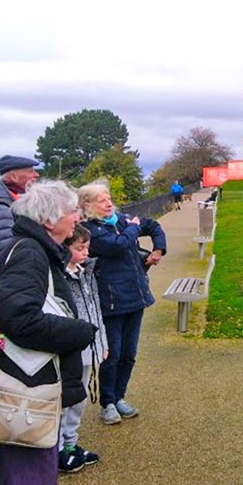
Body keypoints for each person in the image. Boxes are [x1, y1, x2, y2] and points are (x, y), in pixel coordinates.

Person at [0, 180, 95, 485]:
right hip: (28, 389)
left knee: (22, 476)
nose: (75, 217)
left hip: (26, 385)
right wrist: (79, 332)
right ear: (49, 220)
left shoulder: (29, 247)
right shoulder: (30, 252)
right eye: (70, 211)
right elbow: (19, 319)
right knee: (33, 479)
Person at [77, 182, 167, 425]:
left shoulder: (122, 220)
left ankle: (119, 397)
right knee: (112, 354)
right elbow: (116, 246)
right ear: (87, 205)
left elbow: (153, 225)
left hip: (135, 296)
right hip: (111, 301)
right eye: (101, 200)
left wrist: (158, 249)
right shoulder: (88, 230)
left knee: (129, 353)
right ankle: (107, 402)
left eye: (109, 198)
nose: (109, 203)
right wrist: (133, 229)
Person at [58, 225, 108, 473]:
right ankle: (57, 449)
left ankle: (71, 443)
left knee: (79, 399)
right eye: (79, 248)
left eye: (87, 247)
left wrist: (102, 343)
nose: (86, 252)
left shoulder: (86, 271)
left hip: (90, 346)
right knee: (65, 400)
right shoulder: (58, 277)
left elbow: (95, 309)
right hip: (71, 350)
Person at [0, 155, 41, 254]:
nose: (37, 175)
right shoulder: (1, 204)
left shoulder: (13, 197)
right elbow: (7, 247)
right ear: (13, 177)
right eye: (31, 171)